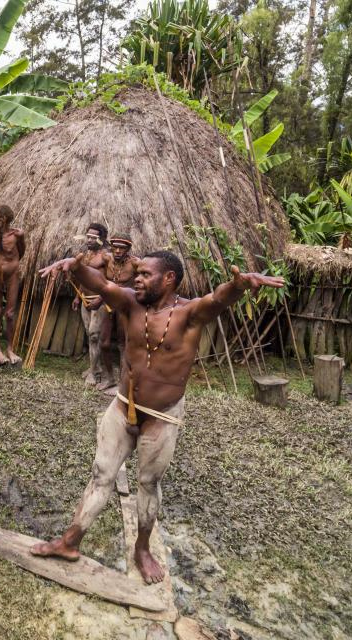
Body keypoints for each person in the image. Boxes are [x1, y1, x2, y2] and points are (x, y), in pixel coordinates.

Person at [31, 250, 284, 584]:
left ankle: (143, 549)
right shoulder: (130, 302)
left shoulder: (188, 314)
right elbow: (102, 284)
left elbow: (216, 300)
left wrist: (237, 287)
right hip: (123, 405)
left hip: (161, 416)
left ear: (168, 279)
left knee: (148, 484)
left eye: (145, 274)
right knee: (100, 474)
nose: (137, 278)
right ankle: (69, 541)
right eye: (137, 272)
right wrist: (76, 268)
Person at [73, 223, 111, 388]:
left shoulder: (106, 257)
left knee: (95, 335)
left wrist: (101, 299)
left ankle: (94, 373)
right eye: (87, 236)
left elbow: (110, 281)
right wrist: (77, 297)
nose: (89, 239)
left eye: (93, 237)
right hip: (85, 299)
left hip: (99, 300)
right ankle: (94, 367)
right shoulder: (86, 256)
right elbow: (84, 278)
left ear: (101, 239)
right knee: (90, 334)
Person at [98, 232, 137, 390]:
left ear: (128, 249)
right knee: (104, 343)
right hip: (107, 304)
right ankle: (109, 379)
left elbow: (148, 277)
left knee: (123, 344)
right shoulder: (106, 258)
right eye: (115, 247)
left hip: (124, 306)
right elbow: (92, 269)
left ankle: (122, 383)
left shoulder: (135, 263)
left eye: (122, 248)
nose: (118, 251)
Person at [0, 204, 26, 366]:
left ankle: (10, 349)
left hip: (12, 274)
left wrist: (12, 265)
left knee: (9, 314)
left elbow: (22, 252)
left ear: (2, 219)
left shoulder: (17, 235)